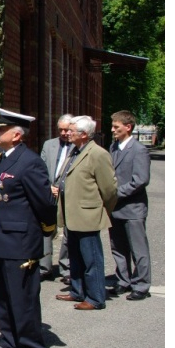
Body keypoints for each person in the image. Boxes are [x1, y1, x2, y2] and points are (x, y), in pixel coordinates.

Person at [0, 108, 57, 348]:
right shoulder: (0, 158)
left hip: (19, 242)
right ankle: (10, 338)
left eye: (0, 129)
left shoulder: (29, 161)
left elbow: (44, 202)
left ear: (16, 135)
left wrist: (46, 230)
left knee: (22, 298)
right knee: (1, 294)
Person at [56, 115, 117, 310]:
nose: (68, 133)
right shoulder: (75, 151)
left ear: (84, 134)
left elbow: (109, 188)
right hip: (72, 214)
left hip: (87, 215)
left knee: (91, 259)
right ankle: (77, 291)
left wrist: (102, 209)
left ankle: (95, 298)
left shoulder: (97, 154)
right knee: (75, 257)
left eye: (72, 130)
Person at [107, 110, 152, 300]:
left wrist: (116, 193)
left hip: (132, 208)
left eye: (116, 127)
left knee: (138, 249)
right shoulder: (113, 147)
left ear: (128, 127)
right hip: (115, 209)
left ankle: (141, 285)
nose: (112, 130)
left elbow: (140, 180)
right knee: (118, 247)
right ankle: (123, 280)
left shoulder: (139, 150)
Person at [39, 114, 73, 281]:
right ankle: (44, 267)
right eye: (61, 130)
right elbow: (41, 168)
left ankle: (66, 268)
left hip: (68, 194)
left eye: (67, 129)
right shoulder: (49, 144)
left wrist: (61, 188)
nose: (64, 133)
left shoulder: (78, 146)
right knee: (46, 228)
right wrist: (48, 187)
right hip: (49, 192)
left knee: (68, 231)